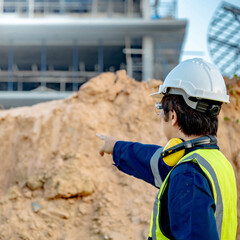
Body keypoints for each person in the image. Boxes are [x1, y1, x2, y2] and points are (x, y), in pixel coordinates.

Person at [97, 58, 237, 240]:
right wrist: (116, 147)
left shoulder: (188, 174)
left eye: (160, 109)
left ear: (172, 116)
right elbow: (157, 162)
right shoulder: (214, 163)